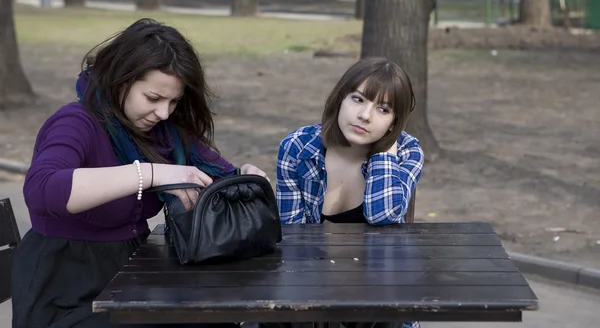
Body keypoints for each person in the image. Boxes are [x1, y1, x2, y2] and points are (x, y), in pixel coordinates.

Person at [11, 18, 269, 328]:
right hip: (67, 293)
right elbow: (42, 191)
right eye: (153, 98)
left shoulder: (164, 133)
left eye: (174, 101)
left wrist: (246, 179)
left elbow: (221, 178)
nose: (164, 113)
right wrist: (148, 174)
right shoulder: (75, 122)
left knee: (223, 314)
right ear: (120, 80)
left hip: (132, 280)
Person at [275, 57, 424, 328]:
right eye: (357, 99)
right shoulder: (298, 147)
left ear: (394, 122)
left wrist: (384, 151)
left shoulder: (407, 152)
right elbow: (291, 237)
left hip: (379, 302)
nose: (365, 115)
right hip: (310, 293)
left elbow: (385, 214)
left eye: (383, 109)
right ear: (340, 99)